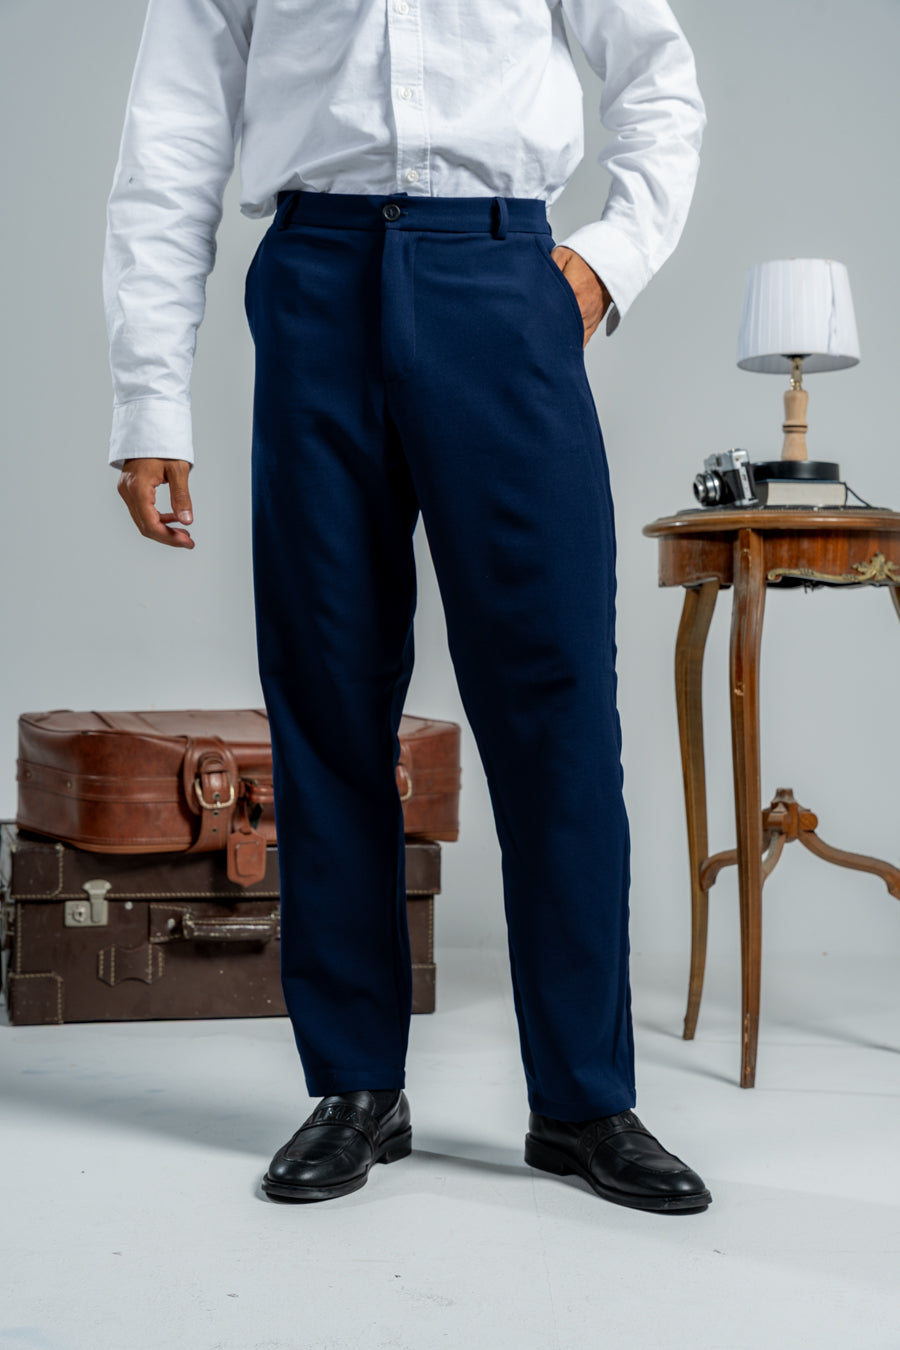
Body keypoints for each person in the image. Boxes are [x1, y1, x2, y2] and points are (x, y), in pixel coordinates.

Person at [104, 0, 710, 1213]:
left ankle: (585, 1098)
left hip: (502, 279)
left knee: (556, 706)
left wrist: (608, 258)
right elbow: (171, 133)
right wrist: (148, 400)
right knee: (327, 695)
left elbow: (659, 77)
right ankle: (355, 1086)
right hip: (314, 284)